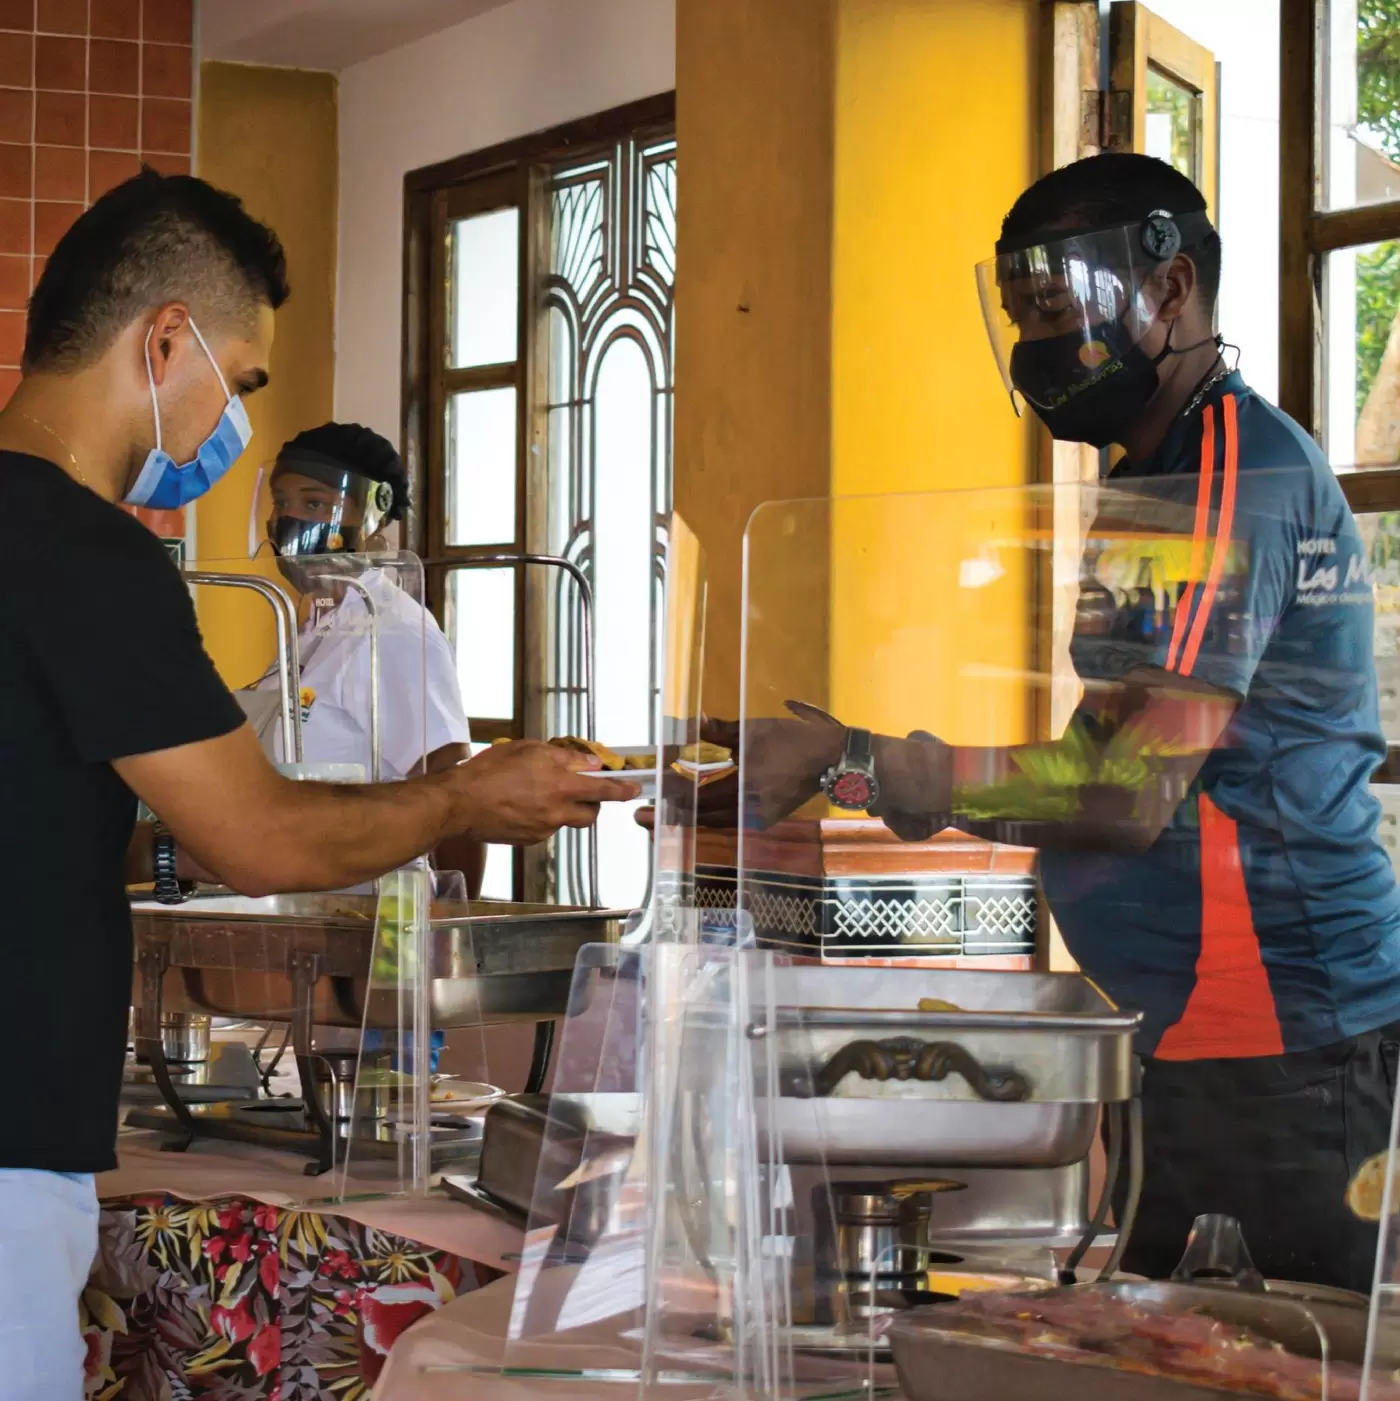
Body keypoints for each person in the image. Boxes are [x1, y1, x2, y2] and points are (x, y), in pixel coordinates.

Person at [709, 154, 1400, 1292]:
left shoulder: (1228, 473)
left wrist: (858, 763)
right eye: (1020, 317)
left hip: (1276, 1042)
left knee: (1267, 1357)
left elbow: (1123, 784)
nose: (1037, 347)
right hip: (1181, 1029)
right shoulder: (1152, 479)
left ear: (1169, 288)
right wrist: (849, 769)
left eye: (1054, 310)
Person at [0, 167, 637, 1400]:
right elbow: (266, 840)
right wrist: (465, 800)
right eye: (240, 383)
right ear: (165, 341)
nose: (229, 426)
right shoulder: (88, 554)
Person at [242, 419, 485, 894]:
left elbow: (456, 794)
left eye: (314, 504)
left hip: (374, 917)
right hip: (302, 905)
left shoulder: (391, 631)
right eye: (281, 502)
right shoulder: (314, 628)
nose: (289, 519)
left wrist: (454, 923)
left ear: (374, 515)